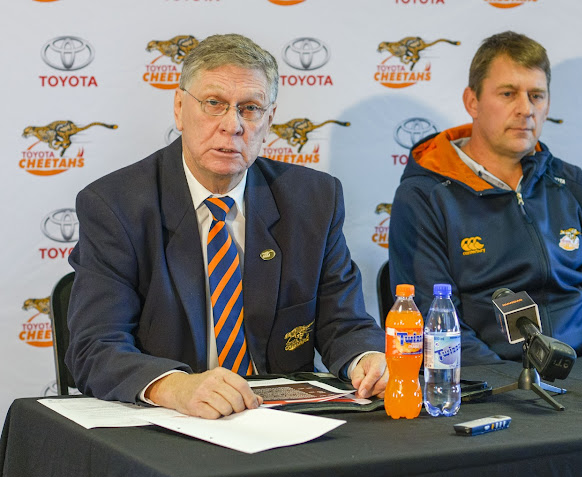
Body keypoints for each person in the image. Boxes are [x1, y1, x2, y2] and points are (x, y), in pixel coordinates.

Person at [66, 34, 387, 419]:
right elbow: (95, 347)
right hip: (170, 421)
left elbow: (344, 323)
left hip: (284, 421)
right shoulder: (117, 205)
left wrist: (367, 359)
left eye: (250, 108)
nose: (232, 125)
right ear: (180, 107)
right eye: (214, 104)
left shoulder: (313, 199)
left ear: (269, 120)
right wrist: (176, 386)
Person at [388, 31, 582, 365]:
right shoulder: (425, 195)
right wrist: (513, 389)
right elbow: (436, 323)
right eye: (508, 94)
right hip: (492, 391)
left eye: (536, 95)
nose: (526, 109)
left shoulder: (574, 185)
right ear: (472, 102)